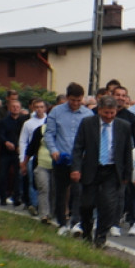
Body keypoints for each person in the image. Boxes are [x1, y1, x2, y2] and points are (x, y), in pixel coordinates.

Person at [70, 95, 134, 248]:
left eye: (112, 113)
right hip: (92, 169)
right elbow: (78, 148)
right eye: (106, 113)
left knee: (108, 204)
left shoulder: (123, 126)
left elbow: (127, 152)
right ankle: (86, 231)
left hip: (112, 171)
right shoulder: (87, 124)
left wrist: (127, 174)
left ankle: (101, 236)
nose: (109, 117)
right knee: (86, 204)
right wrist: (76, 168)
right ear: (99, 110)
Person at [46, 82, 94, 236]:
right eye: (73, 100)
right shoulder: (56, 112)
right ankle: (62, 222)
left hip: (80, 159)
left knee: (78, 191)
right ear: (67, 98)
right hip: (62, 157)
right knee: (60, 191)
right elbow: (49, 133)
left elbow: (92, 138)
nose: (76, 104)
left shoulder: (88, 114)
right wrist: (53, 150)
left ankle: (76, 222)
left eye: (79, 101)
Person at [113, 85, 135, 236]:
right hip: (108, 159)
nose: (120, 98)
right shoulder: (101, 114)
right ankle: (112, 220)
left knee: (132, 191)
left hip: (127, 160)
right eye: (117, 95)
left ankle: (134, 221)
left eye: (123, 95)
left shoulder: (131, 117)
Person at [17, 98, 47, 216]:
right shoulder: (28, 123)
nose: (39, 109)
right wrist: (22, 159)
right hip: (32, 157)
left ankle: (43, 205)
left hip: (45, 157)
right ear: (33, 108)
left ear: (44, 108)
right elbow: (23, 141)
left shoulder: (48, 121)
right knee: (32, 181)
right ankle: (34, 205)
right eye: (37, 107)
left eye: (41, 106)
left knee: (44, 183)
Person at [0, 98, 26, 206]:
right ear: (9, 108)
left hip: (18, 152)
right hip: (6, 152)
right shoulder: (3, 121)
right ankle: (3, 197)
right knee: (3, 175)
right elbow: (0, 134)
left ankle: (16, 198)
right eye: (13, 106)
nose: (15, 109)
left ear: (20, 108)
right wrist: (6, 142)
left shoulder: (23, 122)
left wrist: (19, 146)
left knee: (18, 175)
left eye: (17, 107)